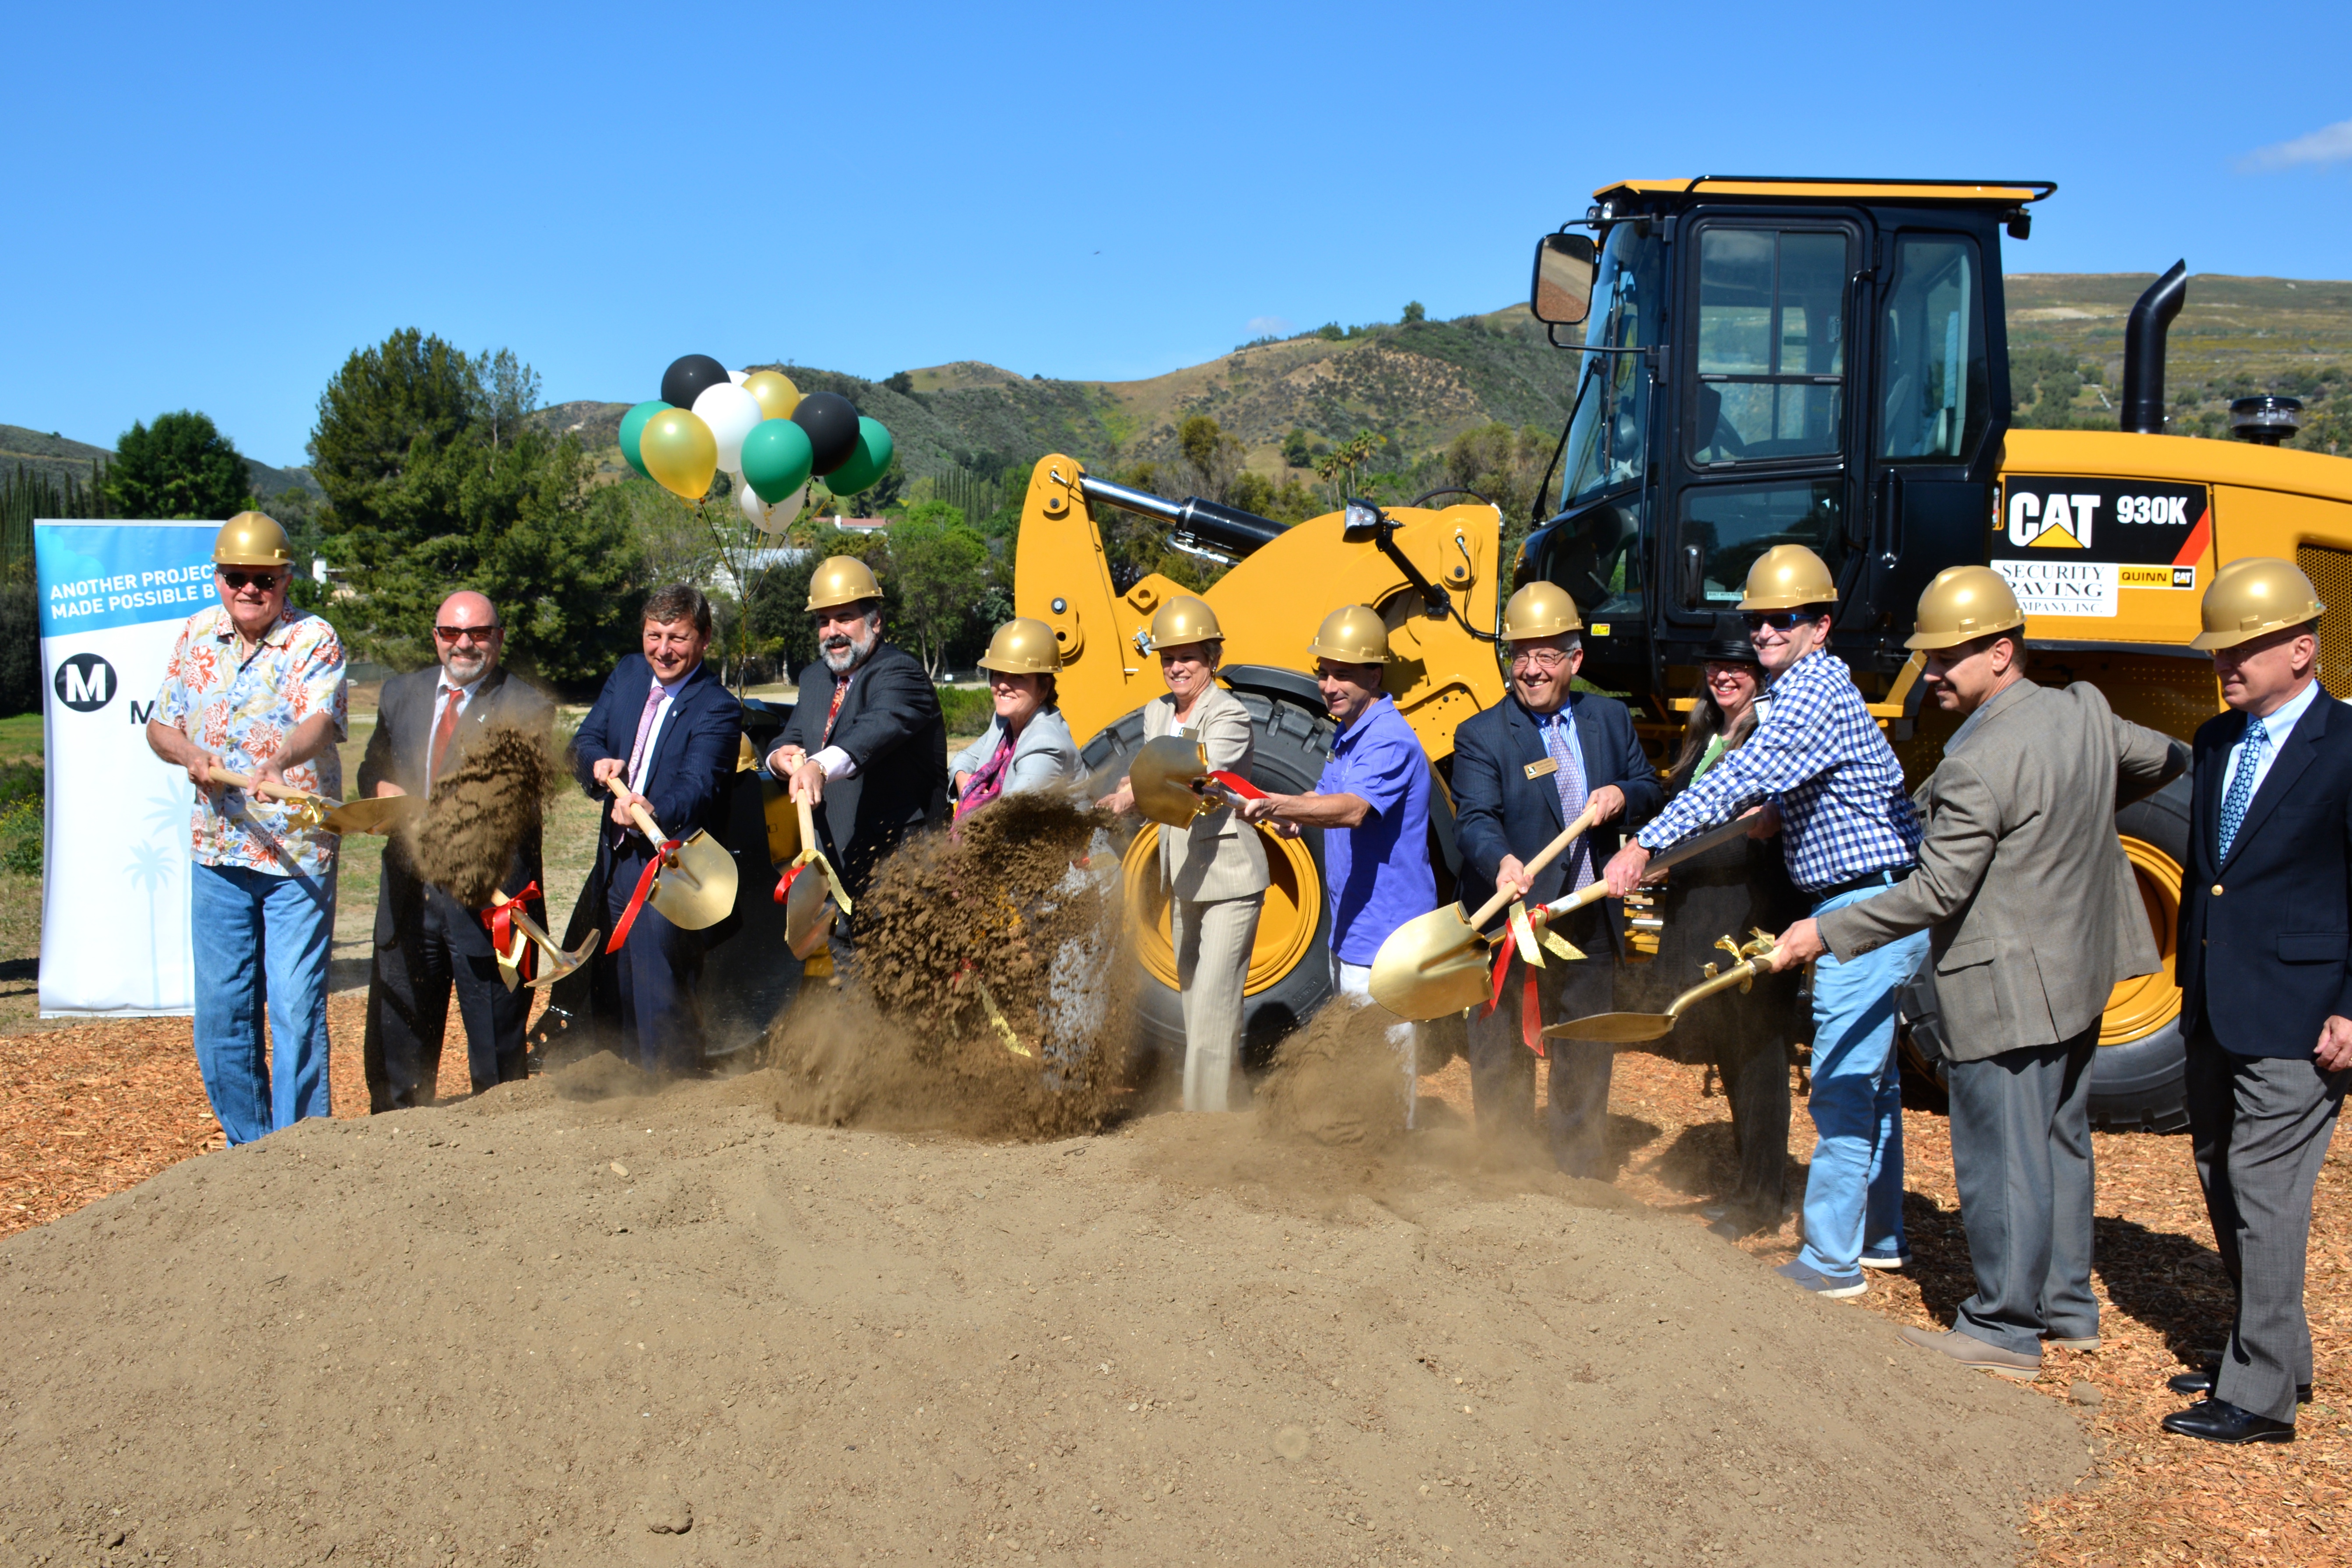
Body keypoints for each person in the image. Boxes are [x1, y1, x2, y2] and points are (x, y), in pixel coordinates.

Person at [1773, 567, 2183, 1379]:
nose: (1929, 675)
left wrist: (1826, 929)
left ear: (2001, 652)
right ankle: (2067, 1307)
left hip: (2004, 982)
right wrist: (2078, 812)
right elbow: (2164, 758)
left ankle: (2000, 1324)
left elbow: (1935, 889)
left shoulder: (1976, 761)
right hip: (2081, 966)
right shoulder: (2083, 712)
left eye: (1944, 660)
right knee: (2061, 1137)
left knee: (1999, 1152)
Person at [1603, 545, 1924, 1298]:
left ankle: (1830, 1262)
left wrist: (1648, 842)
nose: (1764, 633)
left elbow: (1740, 774)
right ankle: (1877, 1236)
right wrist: (1787, 810)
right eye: (1756, 621)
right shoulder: (1810, 688)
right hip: (1860, 895)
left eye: (1781, 619)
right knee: (1872, 1083)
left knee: (1842, 1082)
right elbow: (1822, 780)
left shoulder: (1810, 690)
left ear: (1820, 622)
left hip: (1862, 901)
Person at [2161, 558, 2352, 1444]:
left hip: (2301, 1011)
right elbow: (2213, 877)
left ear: (2302, 651)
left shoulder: (2345, 747)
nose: (2223, 663)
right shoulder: (2212, 740)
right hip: (2213, 1005)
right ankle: (2268, 1351)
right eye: (2218, 650)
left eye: (2242, 648)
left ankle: (2259, 1398)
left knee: (2263, 1191)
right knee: (2219, 1176)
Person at [143, 512, 348, 1144]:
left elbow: (322, 721)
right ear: (219, 578)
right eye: (237, 577)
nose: (250, 588)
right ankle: (248, 1149)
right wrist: (189, 755)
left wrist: (279, 758)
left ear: (286, 578)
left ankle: (300, 1151)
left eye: (264, 577)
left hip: (295, 852)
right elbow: (160, 724)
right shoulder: (197, 633)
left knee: (293, 1005)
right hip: (218, 849)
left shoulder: (314, 638)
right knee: (223, 1013)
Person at [1452, 582, 1660, 1175]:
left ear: (1575, 660)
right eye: (1519, 654)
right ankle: (1502, 1165)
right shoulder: (1482, 734)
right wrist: (1500, 861)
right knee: (1500, 1048)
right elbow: (1474, 817)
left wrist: (1623, 792)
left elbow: (1649, 786)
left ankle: (1578, 1169)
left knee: (1584, 1043)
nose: (1530, 669)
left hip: (1588, 909)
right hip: (1512, 916)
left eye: (1546, 655)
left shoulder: (1609, 717)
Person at [356, 589, 554, 1111]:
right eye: (451, 633)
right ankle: (397, 1151)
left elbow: (509, 801)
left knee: (496, 1068)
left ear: (499, 638)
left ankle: (499, 1165)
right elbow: (372, 767)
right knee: (399, 1058)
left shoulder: (526, 707)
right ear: (436, 637)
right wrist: (382, 791)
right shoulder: (401, 694)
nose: (464, 644)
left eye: (479, 633)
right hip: (409, 901)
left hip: (485, 909)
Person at [1239, 605, 1435, 1125]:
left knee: (1385, 1055)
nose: (1329, 685)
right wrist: (1290, 814)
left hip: (1387, 933)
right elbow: (1324, 797)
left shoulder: (1388, 738)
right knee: (1361, 1050)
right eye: (1323, 672)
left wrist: (1276, 805)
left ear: (1375, 673)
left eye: (1343, 673)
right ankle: (1370, 1145)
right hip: (1354, 926)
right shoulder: (1350, 733)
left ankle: (1392, 1154)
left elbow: (1351, 809)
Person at [1643, 630, 1806, 1238]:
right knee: (1732, 1054)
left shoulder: (1770, 735)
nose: (1723, 675)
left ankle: (1763, 1197)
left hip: (1752, 912)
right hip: (1706, 914)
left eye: (1736, 665)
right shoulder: (1705, 738)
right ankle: (1747, 1187)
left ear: (1759, 673)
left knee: (1759, 1055)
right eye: (1714, 663)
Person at [1099, 596, 1266, 1112]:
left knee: (1213, 1004)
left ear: (1212, 656)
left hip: (1231, 876)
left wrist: (1133, 794)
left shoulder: (1230, 714)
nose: (1176, 666)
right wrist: (1124, 789)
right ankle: (1217, 1113)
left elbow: (1201, 773)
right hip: (1184, 876)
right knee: (1197, 1006)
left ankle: (1203, 1133)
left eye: (1188, 656)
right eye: (1168, 656)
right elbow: (1152, 767)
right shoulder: (1156, 712)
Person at [572, 584, 744, 1074]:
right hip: (615, 864)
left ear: (704, 639)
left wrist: (653, 808)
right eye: (654, 635)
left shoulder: (716, 707)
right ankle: (631, 1098)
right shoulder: (628, 674)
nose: (663, 649)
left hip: (670, 872)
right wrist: (595, 763)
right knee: (618, 991)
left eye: (677, 637)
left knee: (661, 996)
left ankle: (675, 1101)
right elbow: (584, 739)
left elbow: (699, 786)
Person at [765, 556, 948, 964]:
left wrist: (819, 766)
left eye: (845, 618)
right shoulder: (815, 678)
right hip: (838, 868)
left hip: (901, 868)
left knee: (905, 981)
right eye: (823, 621)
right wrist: (781, 757)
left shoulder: (900, 674)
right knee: (851, 981)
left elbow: (873, 730)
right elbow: (793, 736)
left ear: (876, 622)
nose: (833, 632)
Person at [950, 617, 1080, 819]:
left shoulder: (1045, 745)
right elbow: (964, 758)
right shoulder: (1004, 723)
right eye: (998, 674)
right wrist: (963, 780)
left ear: (1044, 687)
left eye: (1018, 676)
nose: (1003, 685)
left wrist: (974, 797)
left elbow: (1010, 817)